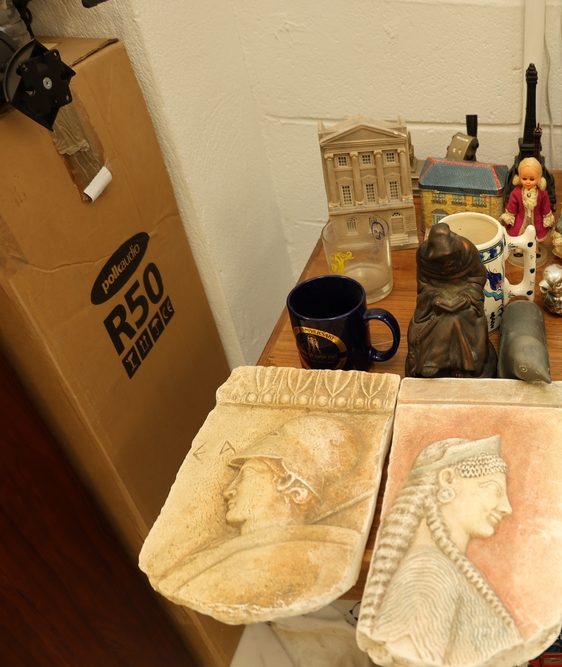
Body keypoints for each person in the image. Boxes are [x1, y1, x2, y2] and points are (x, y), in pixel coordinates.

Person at [153, 415, 366, 623]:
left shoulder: (322, 551)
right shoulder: (213, 555)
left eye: (247, 474)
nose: (228, 491)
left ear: (290, 484)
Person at [357, 435, 521, 667]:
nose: (506, 507)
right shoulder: (429, 572)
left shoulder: (439, 568)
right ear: (448, 479)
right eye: (494, 488)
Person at [406, 222, 495, 378]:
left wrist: (467, 297)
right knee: (440, 317)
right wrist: (435, 299)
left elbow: (477, 278)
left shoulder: (467, 250)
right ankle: (432, 362)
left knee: (461, 316)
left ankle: (463, 365)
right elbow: (424, 284)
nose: (446, 265)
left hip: (465, 293)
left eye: (450, 260)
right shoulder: (423, 256)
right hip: (435, 294)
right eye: (441, 262)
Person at [499, 156, 554, 239]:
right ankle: (519, 245)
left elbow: (545, 207)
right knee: (518, 234)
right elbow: (512, 207)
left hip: (537, 221)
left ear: (538, 178)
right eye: (524, 178)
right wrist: (509, 219)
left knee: (536, 236)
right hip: (520, 220)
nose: (528, 182)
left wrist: (547, 219)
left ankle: (535, 245)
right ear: (519, 177)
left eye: (532, 179)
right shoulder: (516, 193)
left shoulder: (542, 193)